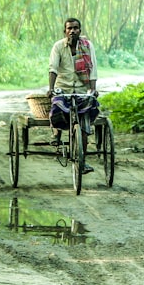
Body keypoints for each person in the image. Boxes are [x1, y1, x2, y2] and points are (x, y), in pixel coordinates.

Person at [47, 17, 99, 173]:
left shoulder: (88, 46)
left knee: (85, 122)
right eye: (69, 28)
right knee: (57, 106)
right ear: (65, 31)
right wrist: (51, 88)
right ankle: (56, 133)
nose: (72, 31)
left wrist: (93, 89)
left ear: (80, 31)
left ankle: (82, 161)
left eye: (75, 28)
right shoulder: (58, 47)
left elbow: (93, 69)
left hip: (82, 90)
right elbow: (53, 68)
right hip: (63, 88)